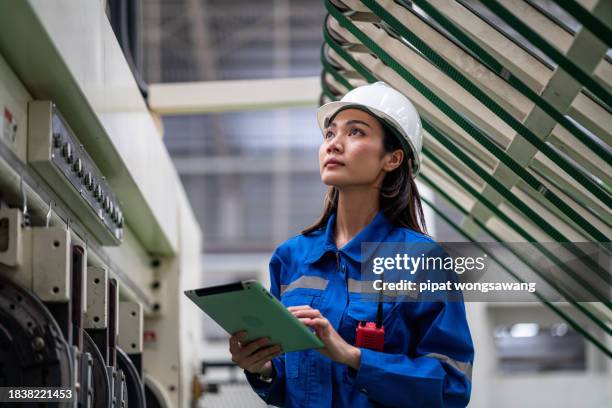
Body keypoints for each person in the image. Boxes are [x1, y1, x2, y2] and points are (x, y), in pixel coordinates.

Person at [229, 82, 474, 407]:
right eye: (329, 134)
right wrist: (261, 368)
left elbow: (451, 388)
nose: (334, 144)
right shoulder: (291, 257)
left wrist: (353, 356)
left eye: (355, 132)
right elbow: (285, 380)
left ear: (393, 158)